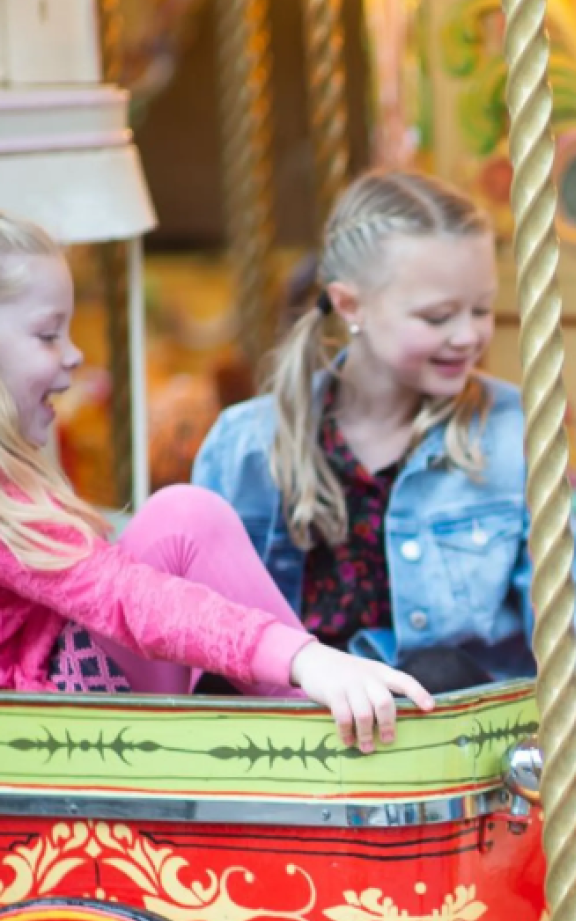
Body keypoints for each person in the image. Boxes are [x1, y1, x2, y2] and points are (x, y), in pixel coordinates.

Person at [193, 170, 576, 698]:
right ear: (351, 306)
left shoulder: (506, 430)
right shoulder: (247, 443)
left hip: (426, 718)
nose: (468, 335)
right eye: (438, 316)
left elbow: (560, 581)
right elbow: (197, 605)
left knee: (440, 670)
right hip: (293, 721)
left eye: (481, 310)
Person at [0, 212, 432, 750]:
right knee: (179, 521)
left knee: (180, 519)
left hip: (50, 702)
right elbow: (123, 595)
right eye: (47, 334)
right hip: (39, 731)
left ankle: (311, 714)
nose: (74, 353)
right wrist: (302, 657)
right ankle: (316, 724)